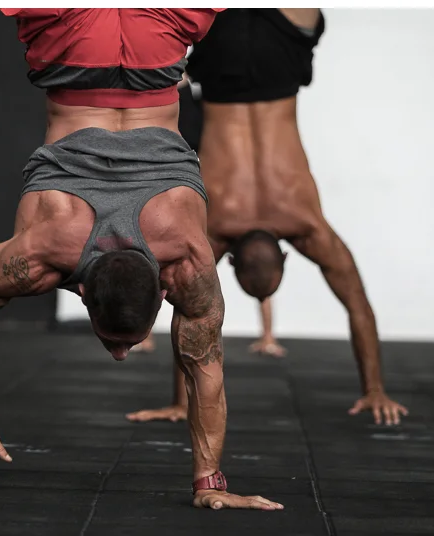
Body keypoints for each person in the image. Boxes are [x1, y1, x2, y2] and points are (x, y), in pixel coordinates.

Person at [0, 8, 282, 511]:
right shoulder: (44, 253)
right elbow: (207, 374)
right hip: (74, 53)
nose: (118, 355)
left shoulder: (180, 259)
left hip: (154, 58)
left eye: (116, 341)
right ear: (162, 292)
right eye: (119, 342)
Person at [126, 8, 409, 426]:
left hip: (281, 70)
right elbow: (188, 312)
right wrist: (374, 389)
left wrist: (376, 390)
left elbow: (359, 308)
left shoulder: (303, 224)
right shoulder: (219, 229)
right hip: (220, 73)